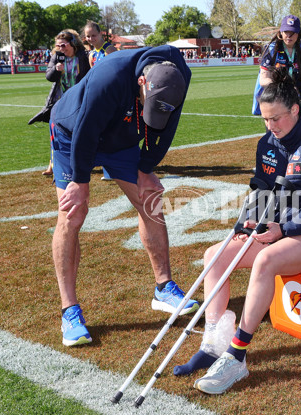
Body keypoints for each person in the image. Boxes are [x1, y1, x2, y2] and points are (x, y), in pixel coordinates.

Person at [175, 67, 301, 394]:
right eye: (264, 120)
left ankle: (236, 356)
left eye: (276, 119)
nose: (270, 127)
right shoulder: (268, 143)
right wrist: (248, 222)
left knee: (265, 262)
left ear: (295, 109)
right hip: (281, 226)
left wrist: (283, 227)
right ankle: (213, 344)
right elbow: (261, 190)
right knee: (214, 256)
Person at [49, 45, 199, 346]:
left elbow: (166, 128)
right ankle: (70, 311)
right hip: (72, 133)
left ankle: (163, 288)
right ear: (142, 83)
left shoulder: (179, 73)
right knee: (72, 214)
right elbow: (86, 131)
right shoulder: (110, 76)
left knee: (150, 199)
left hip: (122, 137)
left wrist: (146, 168)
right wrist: (80, 181)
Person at [29, 29, 90, 175]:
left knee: (79, 132)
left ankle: (80, 161)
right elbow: (49, 77)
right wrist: (56, 70)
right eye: (58, 46)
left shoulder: (82, 56)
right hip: (60, 101)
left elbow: (89, 76)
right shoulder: (56, 57)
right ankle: (53, 164)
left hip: (78, 100)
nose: (61, 49)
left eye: (63, 45)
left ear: (73, 44)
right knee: (55, 132)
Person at [252, 15, 301, 115]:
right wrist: (285, 88)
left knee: (298, 130)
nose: (289, 36)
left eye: (292, 32)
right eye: (286, 32)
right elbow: (263, 80)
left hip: (296, 102)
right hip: (274, 102)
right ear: (281, 32)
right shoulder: (271, 49)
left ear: (298, 33)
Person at [82, 20, 118, 181]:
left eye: (93, 35)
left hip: (112, 96)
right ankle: (107, 169)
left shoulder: (109, 50)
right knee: (100, 132)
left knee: (113, 132)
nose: (90, 38)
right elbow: (93, 75)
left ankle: (115, 168)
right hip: (99, 96)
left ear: (101, 34)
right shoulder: (91, 54)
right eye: (88, 36)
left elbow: (119, 71)